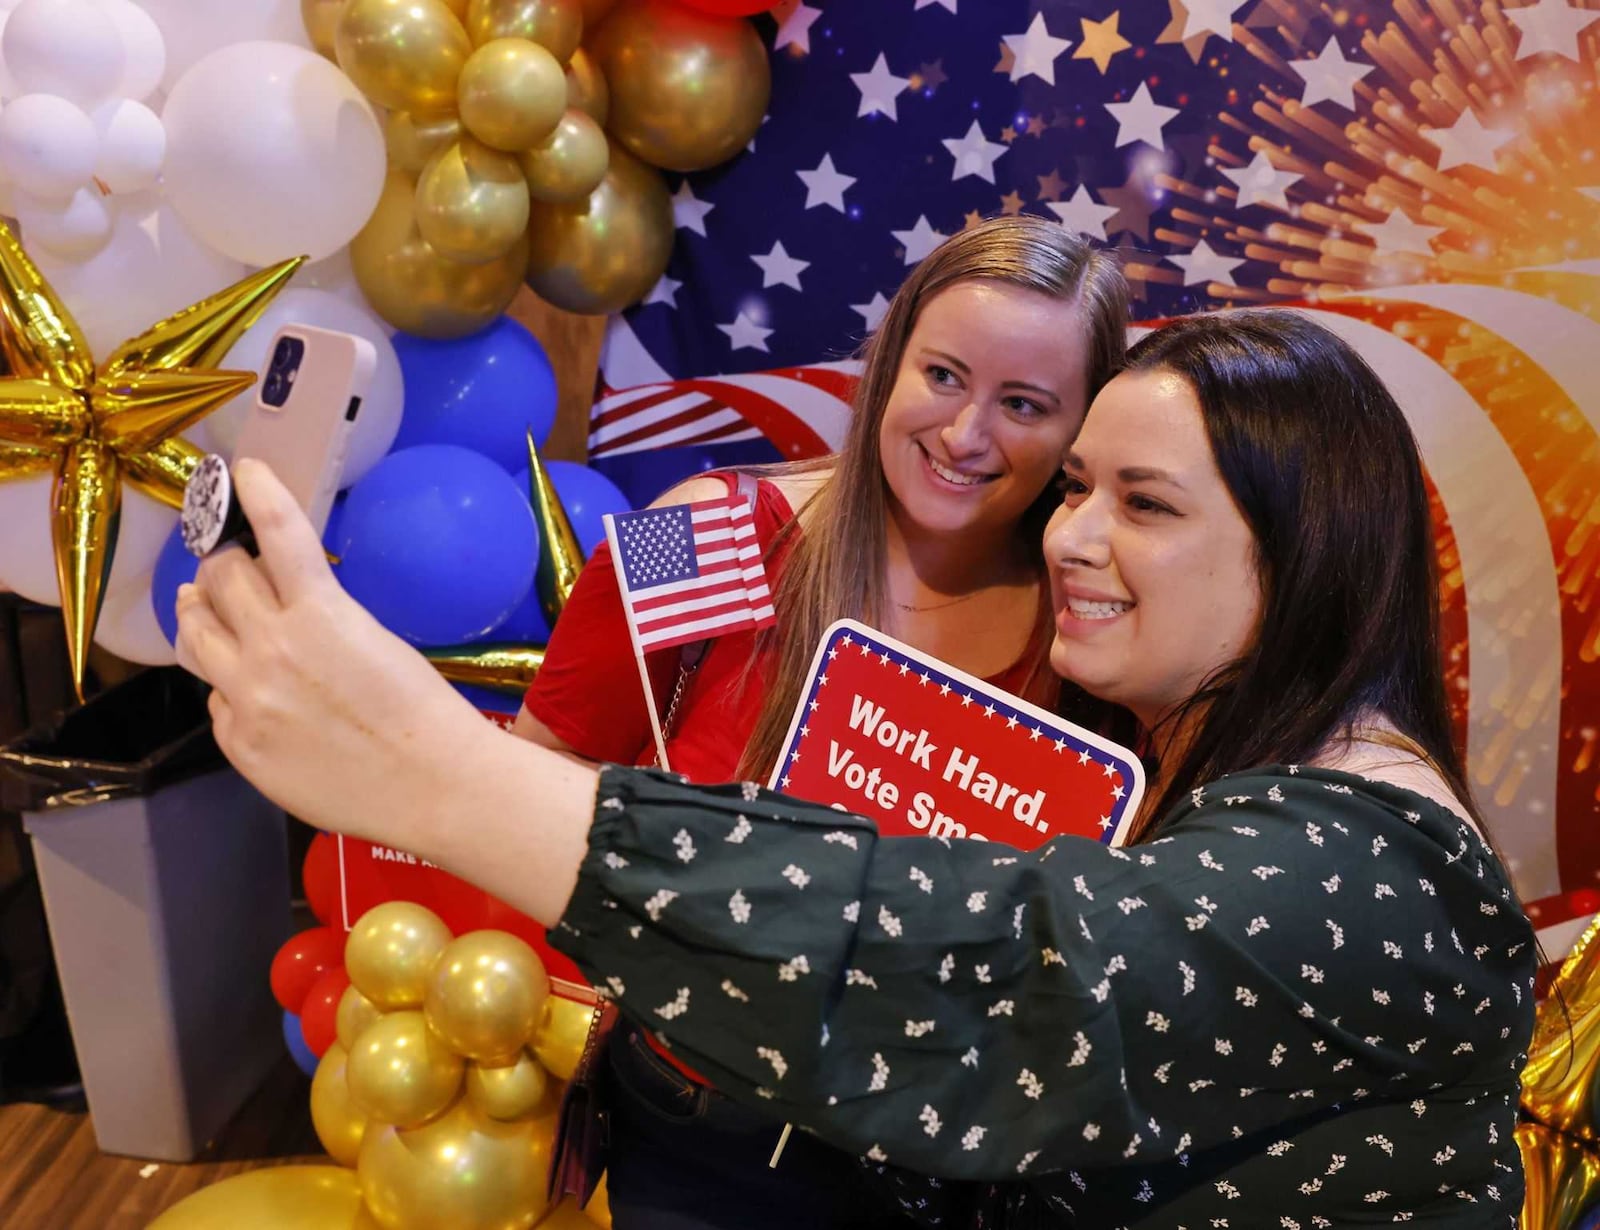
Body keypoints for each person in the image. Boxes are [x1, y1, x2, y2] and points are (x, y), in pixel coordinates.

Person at [174, 309, 1536, 1227]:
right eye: (1078, 485)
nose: (1070, 534)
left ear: (1306, 555)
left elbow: (1006, 981)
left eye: (1149, 503)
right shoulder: (1190, 748)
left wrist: (433, 773)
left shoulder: (1368, 859)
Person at [511, 215, 1128, 1227]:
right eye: (941, 376)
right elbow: (540, 765)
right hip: (702, 1131)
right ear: (887, 364)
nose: (967, 435)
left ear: (1078, 435)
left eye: (1023, 404)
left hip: (957, 1160)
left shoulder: (1095, 628)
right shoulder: (703, 527)